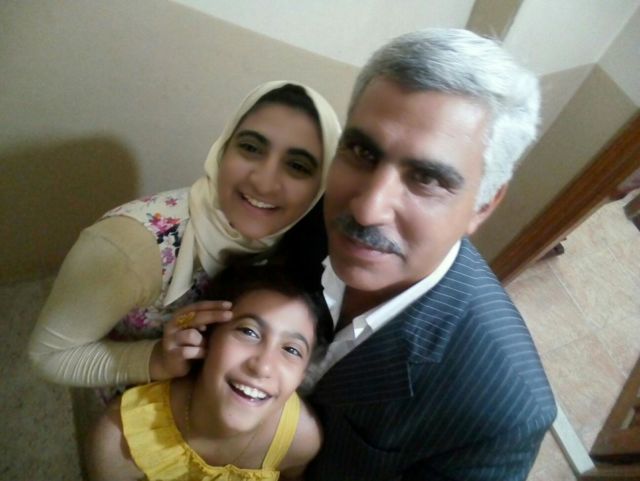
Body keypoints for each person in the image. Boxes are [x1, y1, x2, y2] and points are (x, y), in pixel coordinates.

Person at [300, 29, 557, 481]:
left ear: (484, 205)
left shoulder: (502, 411)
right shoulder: (297, 218)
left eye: (427, 179)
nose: (367, 208)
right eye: (361, 152)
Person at [27, 81, 340, 393]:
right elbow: (49, 356)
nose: (264, 182)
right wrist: (156, 359)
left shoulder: (299, 238)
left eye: (297, 166)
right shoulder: (125, 250)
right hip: (129, 392)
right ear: (223, 149)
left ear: (320, 187)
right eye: (251, 148)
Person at [87, 263, 329, 481]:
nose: (263, 367)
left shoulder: (301, 441)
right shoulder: (118, 442)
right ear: (206, 337)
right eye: (249, 332)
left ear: (302, 376)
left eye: (291, 350)